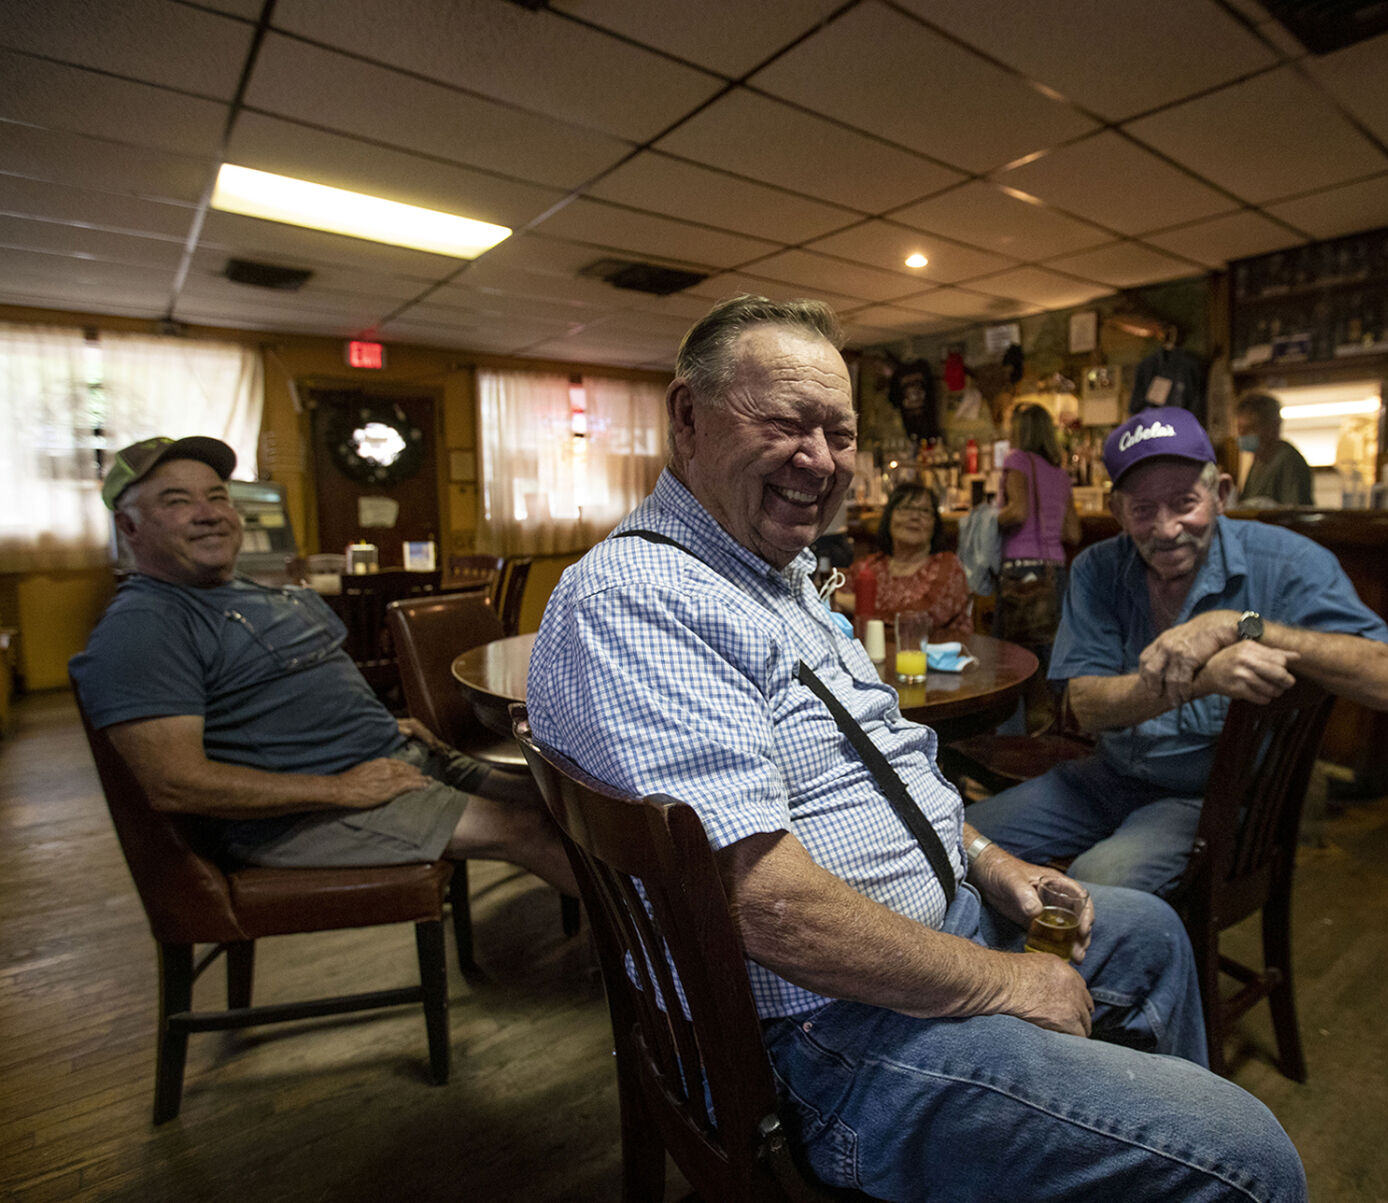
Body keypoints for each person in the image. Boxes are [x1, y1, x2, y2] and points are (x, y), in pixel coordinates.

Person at [526, 296, 1306, 1202]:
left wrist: (989, 860)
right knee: (1245, 1159)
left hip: (916, 947)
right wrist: (1004, 981)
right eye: (784, 421)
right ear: (686, 419)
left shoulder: (774, 575)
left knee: (1151, 932)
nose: (819, 461)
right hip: (822, 1034)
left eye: (839, 431)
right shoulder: (640, 600)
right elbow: (762, 906)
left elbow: (885, 760)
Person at [69, 436, 579, 898]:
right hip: (305, 814)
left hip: (394, 761)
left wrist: (374, 722)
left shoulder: (248, 590)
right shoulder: (143, 627)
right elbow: (175, 782)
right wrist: (339, 789)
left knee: (573, 801)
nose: (209, 513)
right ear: (128, 525)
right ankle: (651, 976)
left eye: (217, 495)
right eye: (176, 501)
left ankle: (632, 942)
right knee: (526, 828)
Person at [966, 406, 1388, 898]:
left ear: (1220, 494)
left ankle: (1091, 972)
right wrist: (1203, 678)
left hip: (1209, 798)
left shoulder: (1287, 561)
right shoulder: (1098, 570)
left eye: (1184, 503)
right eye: (1143, 510)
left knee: (1096, 883)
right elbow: (1087, 707)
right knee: (957, 839)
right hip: (1106, 778)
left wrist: (1238, 625)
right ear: (1118, 512)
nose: (1168, 528)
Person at [995, 403, 1081, 730]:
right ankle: (1054, 733)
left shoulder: (1017, 460)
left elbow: (1017, 511)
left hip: (1021, 571)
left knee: (1012, 662)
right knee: (1048, 657)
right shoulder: (1060, 473)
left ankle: (1011, 741)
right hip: (1054, 572)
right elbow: (1073, 532)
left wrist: (985, 520)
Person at [841, 482, 972, 633]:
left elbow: (925, 616)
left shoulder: (948, 566)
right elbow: (833, 605)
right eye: (906, 508)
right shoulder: (866, 566)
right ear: (889, 518)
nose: (915, 516)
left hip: (932, 653)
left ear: (935, 523)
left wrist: (860, 605)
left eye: (924, 511)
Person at [1235, 390, 1314, 507]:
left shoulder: (1288, 461)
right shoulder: (1258, 462)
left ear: (1272, 427)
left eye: (1249, 429)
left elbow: (1296, 513)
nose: (1242, 436)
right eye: (1240, 430)